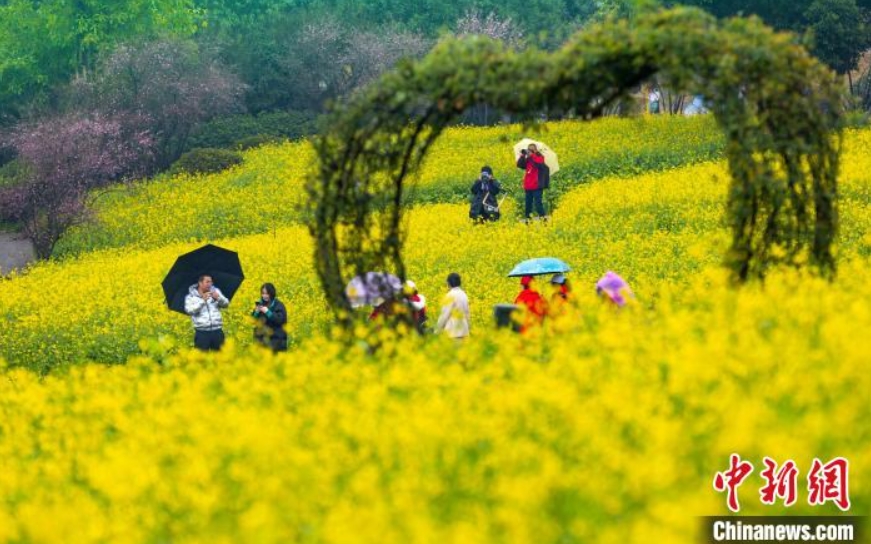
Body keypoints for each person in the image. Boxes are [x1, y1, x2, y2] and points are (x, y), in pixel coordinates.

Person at [184, 274, 229, 351]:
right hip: (202, 333)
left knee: (221, 359)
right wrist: (202, 301)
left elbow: (226, 304)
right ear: (200, 283)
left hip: (217, 331)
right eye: (207, 282)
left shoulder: (215, 291)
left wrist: (218, 298)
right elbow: (189, 311)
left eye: (211, 282)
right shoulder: (190, 297)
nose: (210, 284)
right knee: (201, 360)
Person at [252, 282, 288, 352]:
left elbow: (280, 320)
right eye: (263, 293)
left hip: (276, 342)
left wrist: (267, 312)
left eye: (267, 293)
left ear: (271, 293)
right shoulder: (260, 304)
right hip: (262, 342)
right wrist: (256, 312)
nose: (264, 296)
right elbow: (253, 321)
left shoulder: (279, 305)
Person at [516, 143, 548, 221]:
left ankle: (543, 219)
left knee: (538, 204)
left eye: (531, 149)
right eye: (528, 149)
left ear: (535, 150)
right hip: (528, 185)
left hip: (537, 185)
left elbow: (539, 164)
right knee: (528, 204)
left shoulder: (540, 157)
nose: (529, 151)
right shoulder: (527, 159)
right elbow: (519, 165)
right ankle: (528, 220)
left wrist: (532, 155)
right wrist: (523, 155)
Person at [435, 272, 470, 341]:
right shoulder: (464, 295)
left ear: (448, 283)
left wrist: (437, 330)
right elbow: (467, 314)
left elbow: (444, 315)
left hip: (453, 333)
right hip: (464, 332)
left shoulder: (450, 295)